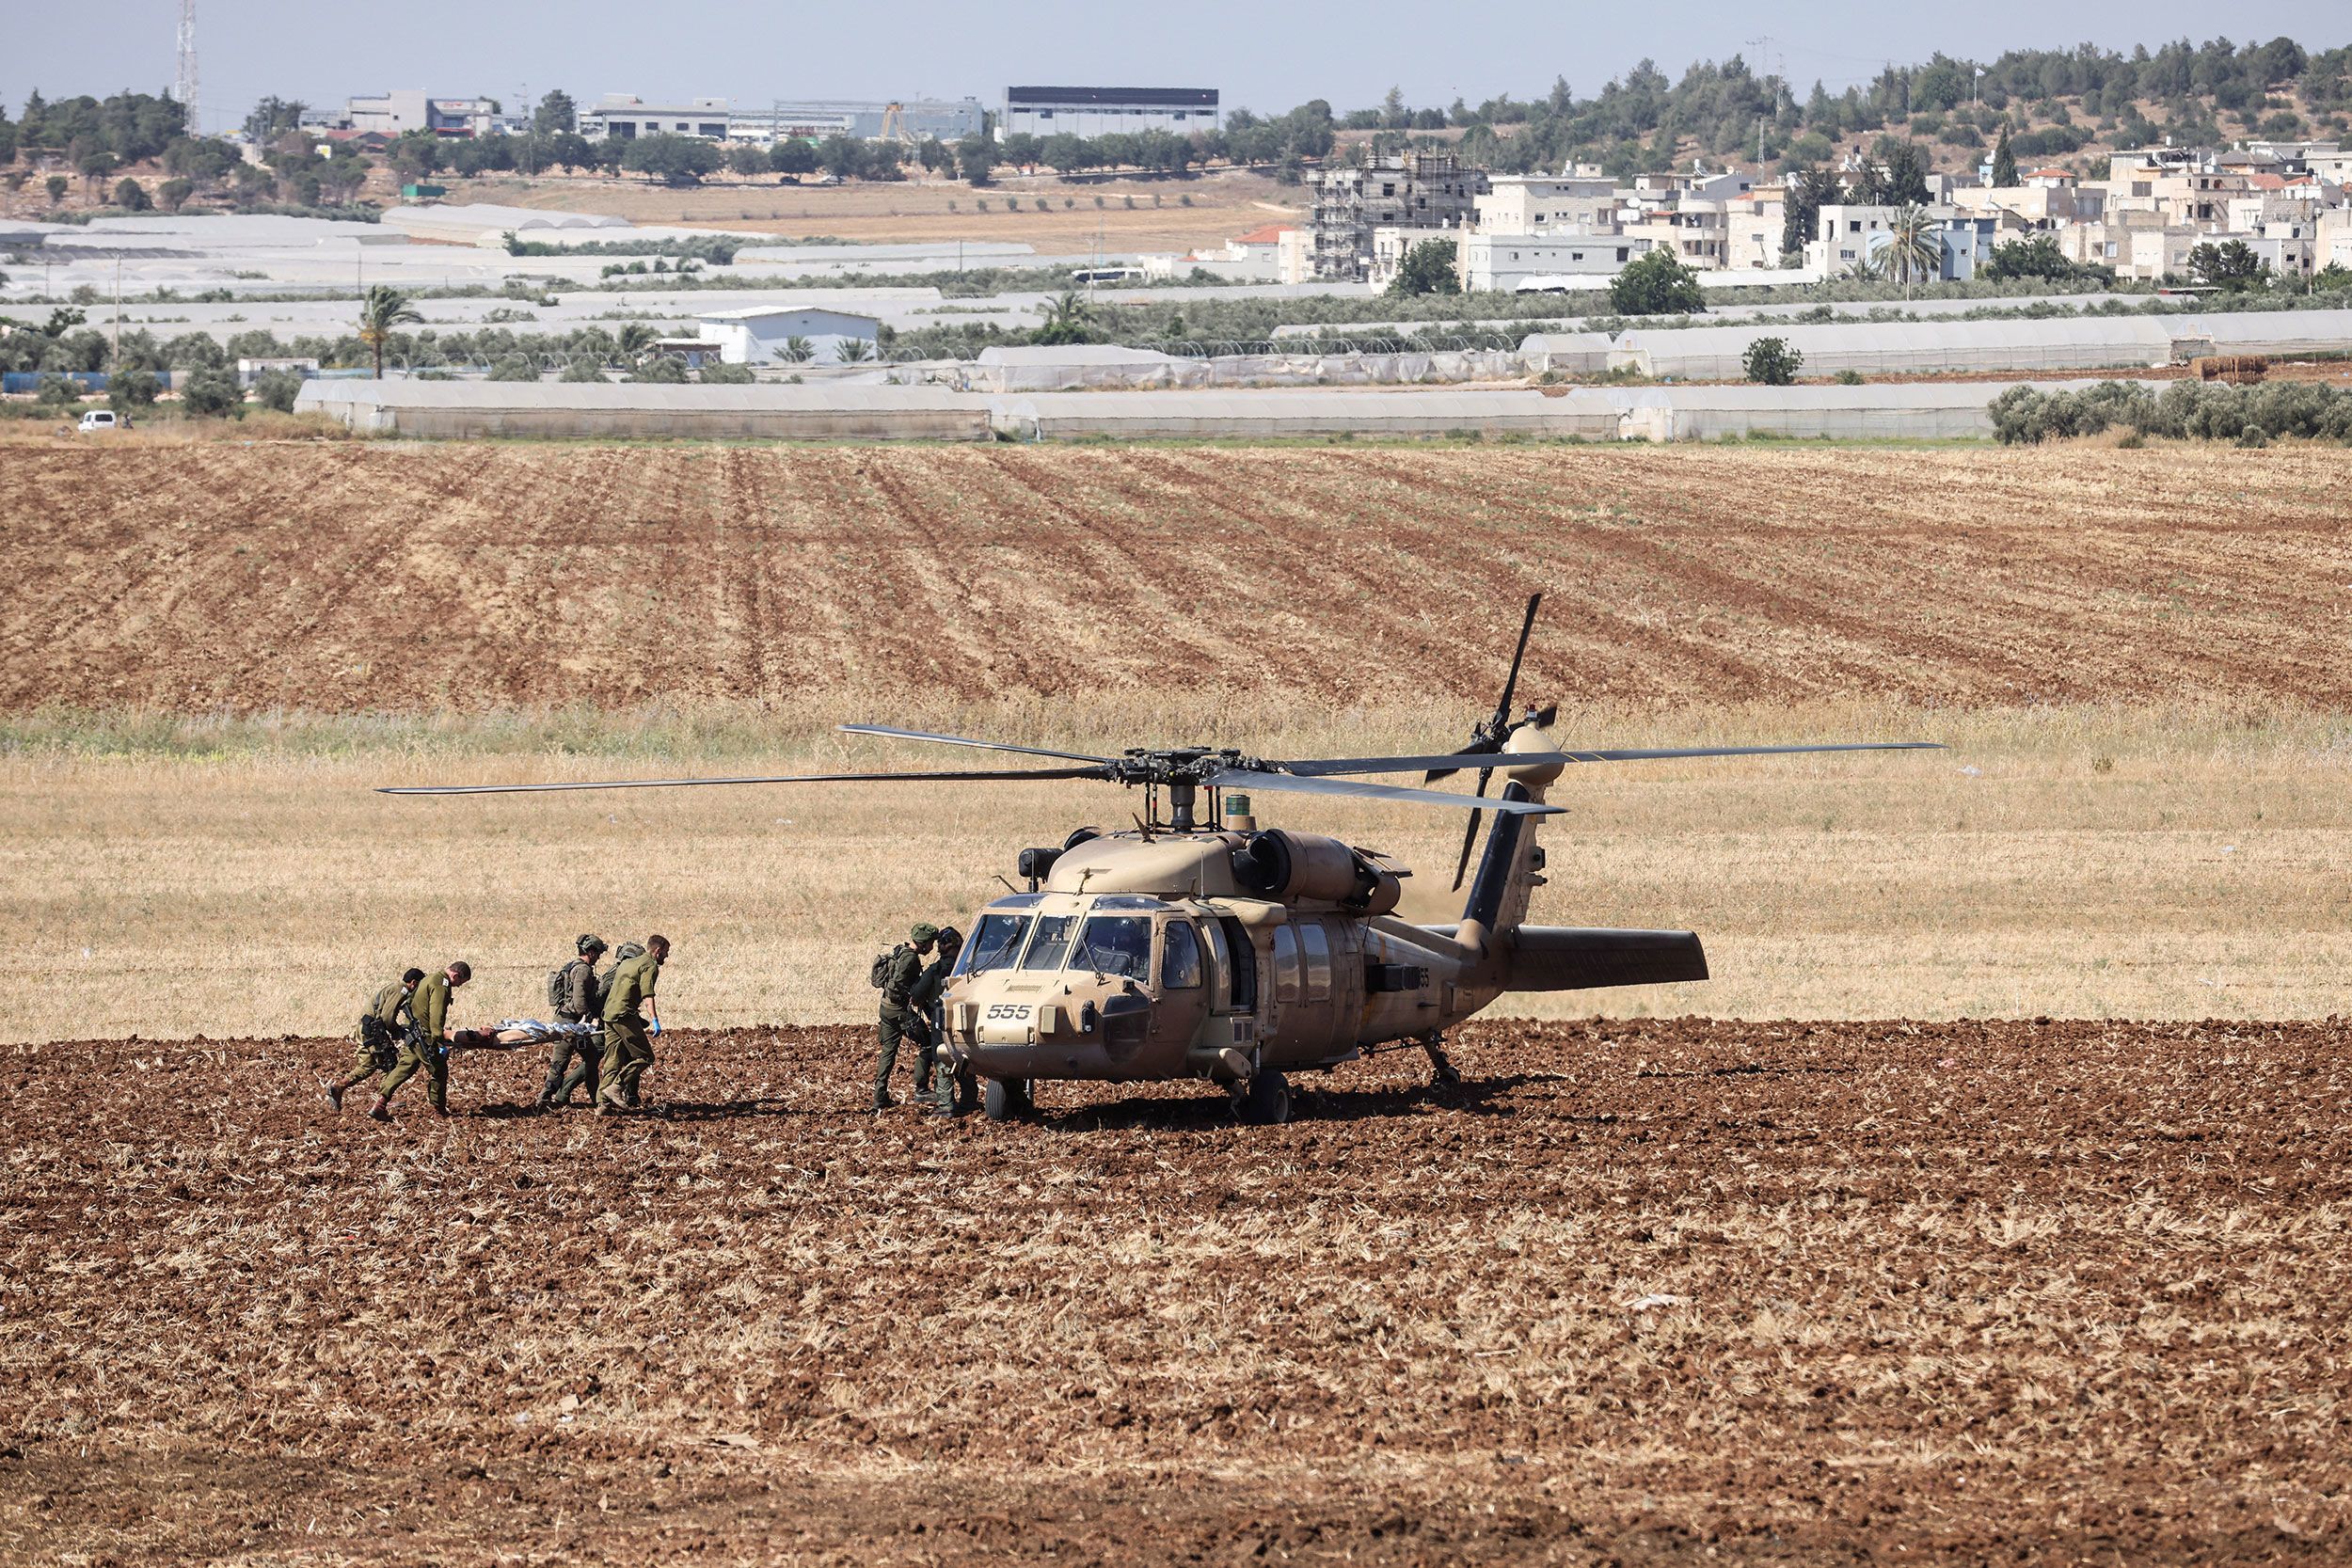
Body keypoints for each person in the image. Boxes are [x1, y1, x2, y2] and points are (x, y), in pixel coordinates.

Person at [370, 960, 472, 1121]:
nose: (458, 986)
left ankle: (380, 1104)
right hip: (425, 1038)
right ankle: (439, 1111)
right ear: (456, 975)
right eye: (460, 982)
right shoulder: (441, 986)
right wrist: (439, 1040)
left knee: (404, 1068)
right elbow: (436, 1015)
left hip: (413, 1034)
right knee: (439, 1072)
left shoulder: (429, 978)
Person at [327, 968, 422, 1110]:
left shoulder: (395, 986)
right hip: (373, 1030)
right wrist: (397, 1031)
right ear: (414, 983)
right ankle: (384, 1100)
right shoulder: (401, 990)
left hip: (367, 1028)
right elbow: (387, 1017)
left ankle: (339, 1087)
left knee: (369, 1064)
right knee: (388, 1063)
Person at [536, 935, 609, 1110]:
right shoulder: (583, 970)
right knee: (564, 1062)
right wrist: (590, 1017)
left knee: (581, 1059)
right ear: (591, 952)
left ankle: (594, 1100)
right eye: (597, 953)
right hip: (571, 1025)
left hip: (564, 1020)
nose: (598, 957)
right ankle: (546, 1099)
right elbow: (579, 1001)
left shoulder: (572, 966)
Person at [598, 935, 668, 1116]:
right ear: (657, 951)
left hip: (609, 1014)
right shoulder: (649, 966)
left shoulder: (628, 963)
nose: (667, 957)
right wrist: (654, 1020)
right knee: (645, 1057)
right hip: (624, 1015)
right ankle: (617, 1087)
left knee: (612, 1060)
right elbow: (648, 995)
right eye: (666, 952)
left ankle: (603, 1105)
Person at [872, 923, 937, 1111]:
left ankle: (879, 1096)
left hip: (886, 1008)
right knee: (928, 1044)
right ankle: (921, 1089)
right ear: (924, 944)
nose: (932, 948)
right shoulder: (911, 960)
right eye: (931, 944)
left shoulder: (901, 951)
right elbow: (900, 985)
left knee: (887, 1053)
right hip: (899, 1011)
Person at [914, 927, 967, 1116]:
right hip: (966, 1018)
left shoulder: (934, 971)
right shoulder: (970, 968)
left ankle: (946, 1105)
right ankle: (969, 1099)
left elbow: (916, 996)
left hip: (941, 1018)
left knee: (942, 1058)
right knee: (965, 1057)